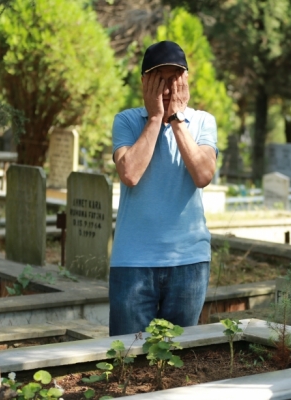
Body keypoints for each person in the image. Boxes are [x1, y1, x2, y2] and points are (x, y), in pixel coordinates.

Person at [108, 41, 218, 336]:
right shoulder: (127, 121)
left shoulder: (203, 122)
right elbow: (130, 173)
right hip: (133, 263)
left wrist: (177, 120)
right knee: (127, 360)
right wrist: (156, 117)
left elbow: (203, 174)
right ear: (144, 82)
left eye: (174, 79)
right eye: (160, 80)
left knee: (178, 364)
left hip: (189, 263)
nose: (168, 89)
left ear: (186, 81)